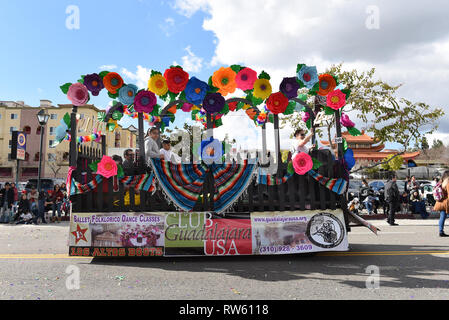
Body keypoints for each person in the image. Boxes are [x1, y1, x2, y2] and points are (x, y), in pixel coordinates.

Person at [433, 170, 449, 237]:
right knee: (443, 216)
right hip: (446, 203)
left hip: (440, 202)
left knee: (442, 217)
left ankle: (441, 231)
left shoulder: (441, 182)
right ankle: (441, 231)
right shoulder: (448, 183)